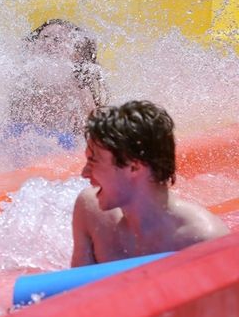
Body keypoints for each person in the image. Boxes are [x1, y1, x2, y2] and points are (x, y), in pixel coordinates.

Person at [71, 100, 228, 267]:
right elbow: (74, 290)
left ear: (134, 167)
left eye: (93, 161)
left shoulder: (202, 239)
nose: (84, 173)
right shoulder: (90, 212)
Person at [8, 19, 109, 147]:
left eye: (57, 40)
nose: (48, 43)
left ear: (76, 54)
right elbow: (17, 125)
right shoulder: (25, 85)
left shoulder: (78, 89)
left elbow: (92, 136)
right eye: (44, 37)